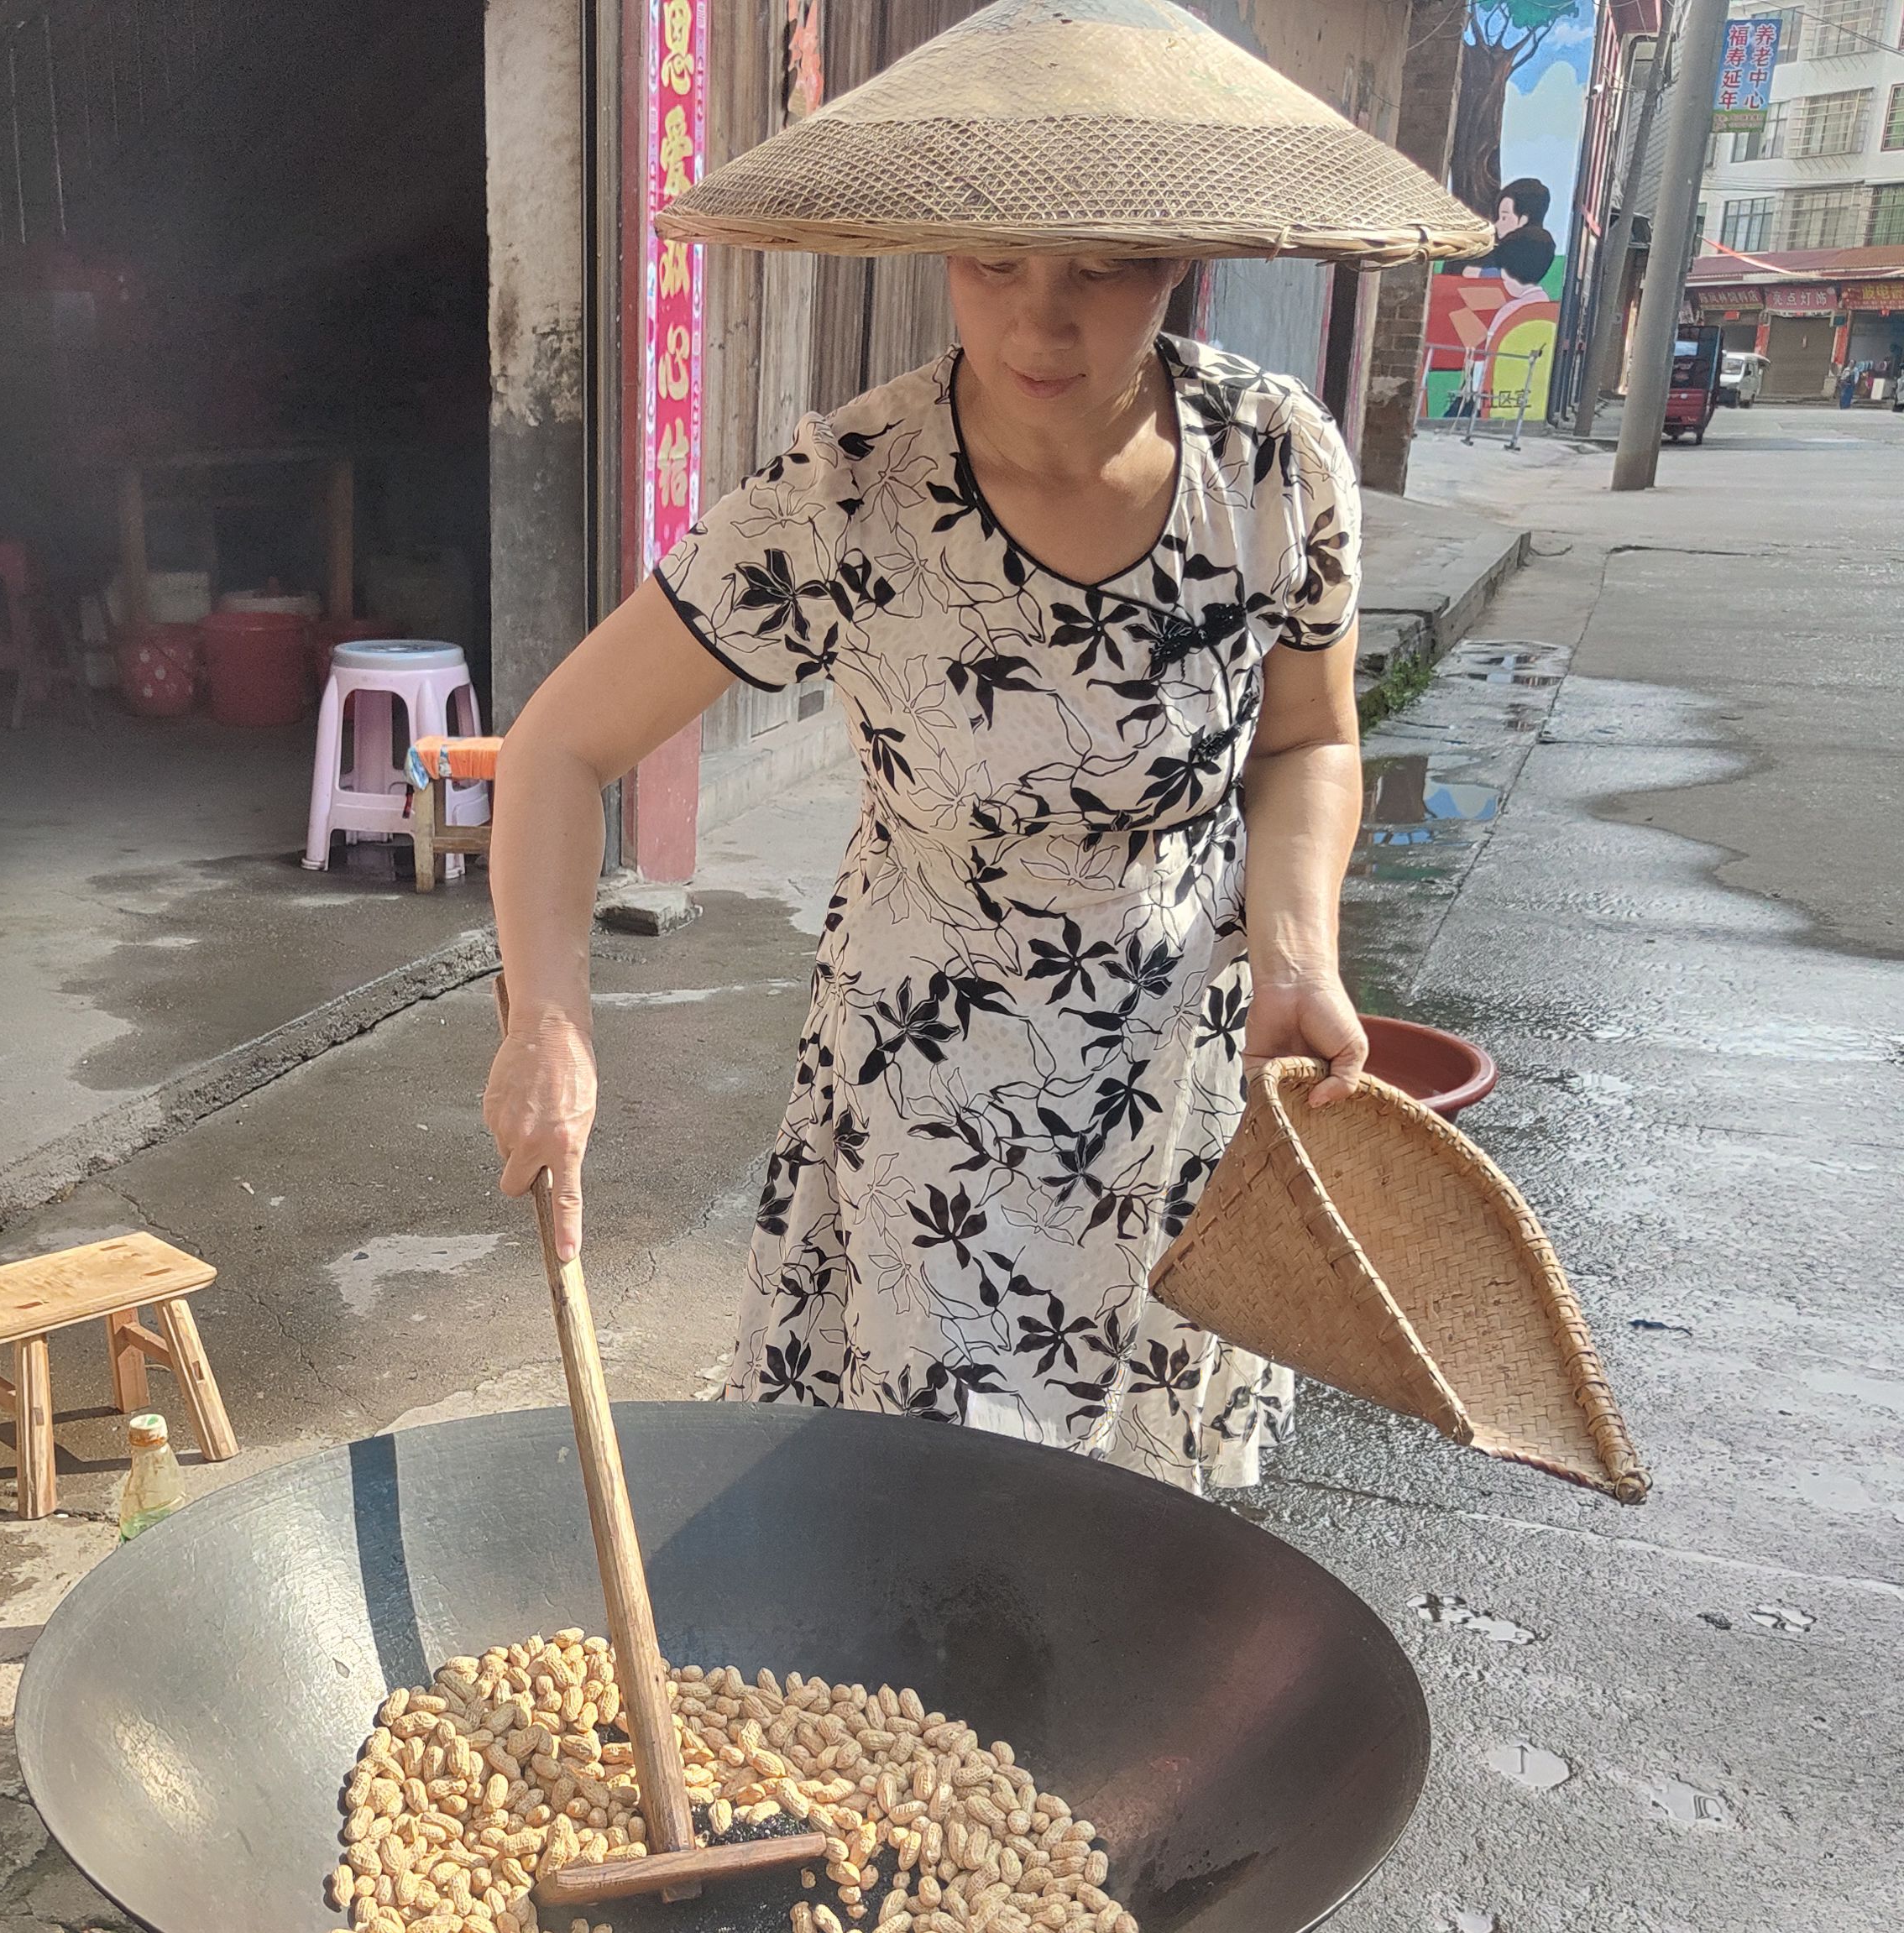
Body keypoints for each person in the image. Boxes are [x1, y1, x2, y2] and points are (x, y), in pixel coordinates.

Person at [481, 0, 1483, 1495]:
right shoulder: (845, 494)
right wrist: (545, 1013)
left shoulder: (1273, 466)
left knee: (1141, 1533)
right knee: (932, 1508)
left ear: (1178, 259)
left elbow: (1308, 742)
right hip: (925, 1088)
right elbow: (560, 742)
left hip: (1179, 1075)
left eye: (1103, 267)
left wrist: (1294, 954)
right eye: (994, 262)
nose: (1040, 322)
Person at [1482, 178, 1556, 288]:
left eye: (1504, 217)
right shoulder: (1546, 245)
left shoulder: (1519, 248)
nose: (1497, 225)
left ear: (1523, 220)